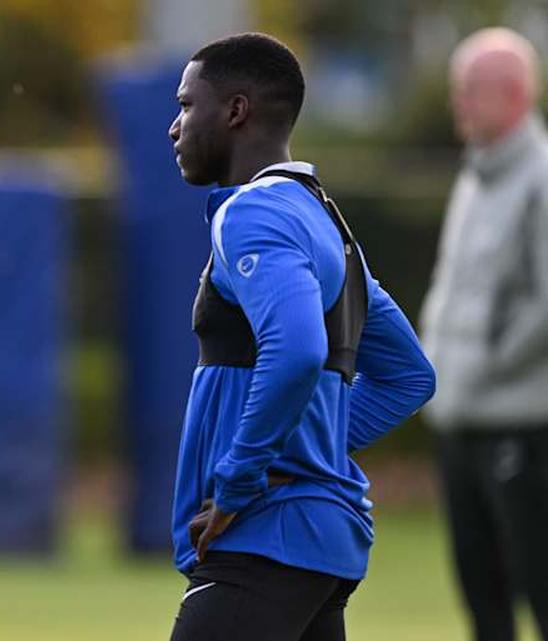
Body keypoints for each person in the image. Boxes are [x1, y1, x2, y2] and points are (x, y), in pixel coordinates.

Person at [166, 33, 436, 641]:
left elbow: (298, 352)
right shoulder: (322, 216)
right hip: (316, 545)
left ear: (236, 111)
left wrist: (242, 478)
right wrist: (303, 455)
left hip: (265, 535)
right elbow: (409, 375)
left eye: (186, 105)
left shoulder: (251, 213)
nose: (174, 127)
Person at [420, 27, 548, 641]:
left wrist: (483, 368)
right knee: (482, 603)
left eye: (469, 90)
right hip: (462, 422)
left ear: (515, 94)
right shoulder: (474, 176)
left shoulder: (542, 179)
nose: (458, 104)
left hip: (525, 426)